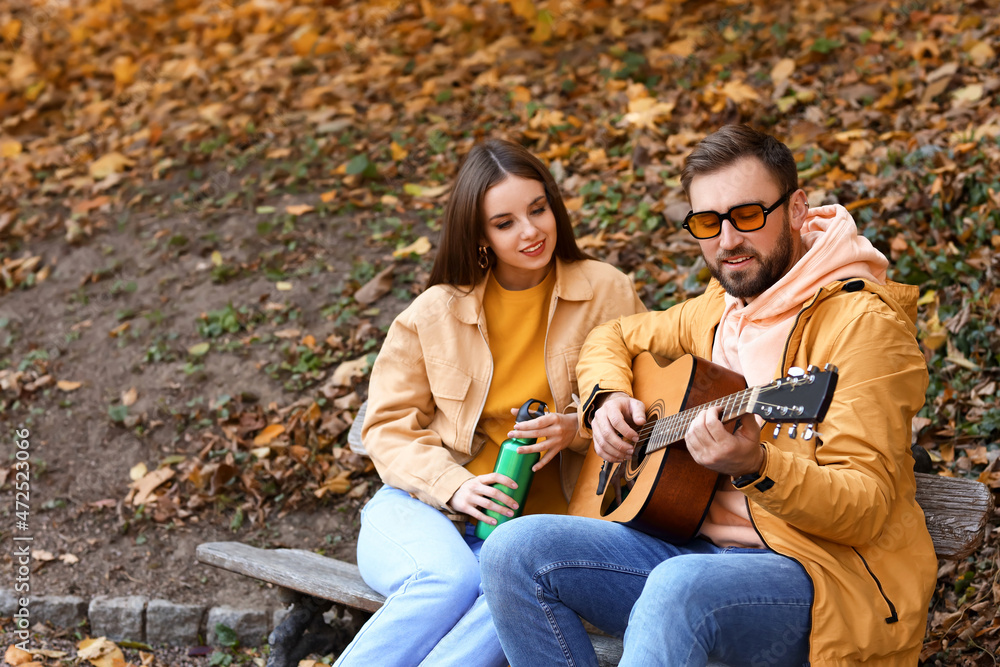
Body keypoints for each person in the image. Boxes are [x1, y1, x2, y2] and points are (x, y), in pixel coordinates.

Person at [481, 124, 937, 666]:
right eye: (706, 222)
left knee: (680, 586)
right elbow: (613, 337)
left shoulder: (863, 328)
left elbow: (864, 509)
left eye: (747, 216)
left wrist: (757, 465)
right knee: (513, 551)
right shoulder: (718, 308)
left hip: (815, 577)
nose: (726, 241)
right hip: (685, 547)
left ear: (795, 209)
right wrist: (606, 400)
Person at [334, 138, 645, 667]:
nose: (530, 232)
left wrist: (576, 430)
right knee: (450, 577)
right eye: (505, 223)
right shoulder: (436, 313)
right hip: (423, 515)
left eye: (538, 210)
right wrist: (455, 487)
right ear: (479, 234)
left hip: (536, 543)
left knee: (502, 591)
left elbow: (647, 404)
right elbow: (386, 428)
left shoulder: (605, 292)